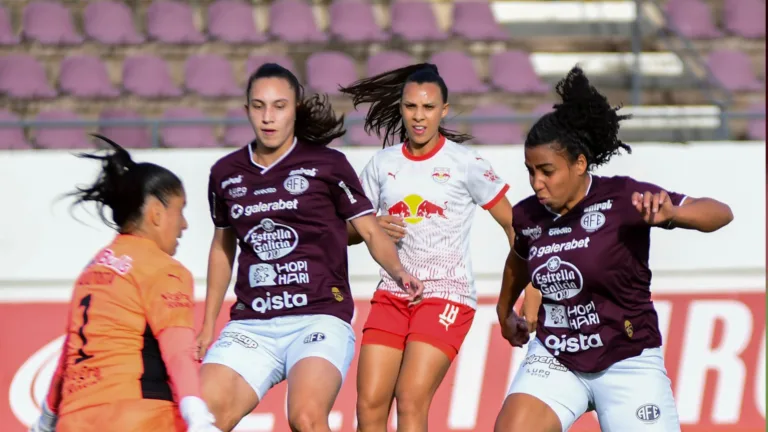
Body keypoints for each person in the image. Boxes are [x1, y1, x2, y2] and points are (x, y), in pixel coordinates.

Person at [494, 66, 734, 432]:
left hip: (627, 358)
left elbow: (721, 213)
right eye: (530, 171)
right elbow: (520, 259)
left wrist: (674, 214)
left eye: (546, 171)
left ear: (579, 163)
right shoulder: (527, 215)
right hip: (556, 357)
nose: (536, 182)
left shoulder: (623, 198)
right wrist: (503, 311)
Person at [196, 63, 423, 432]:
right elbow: (223, 248)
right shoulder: (226, 173)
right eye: (259, 106)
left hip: (318, 317)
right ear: (247, 109)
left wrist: (399, 271)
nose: (268, 117)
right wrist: (208, 324)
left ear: (295, 108)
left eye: (279, 106)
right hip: (252, 325)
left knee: (305, 418)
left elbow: (369, 230)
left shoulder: (328, 164)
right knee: (200, 419)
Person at [339, 63, 539, 432]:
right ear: (401, 108)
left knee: (410, 399)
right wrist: (372, 226)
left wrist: (530, 288)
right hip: (392, 293)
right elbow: (349, 232)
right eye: (411, 106)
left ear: (443, 110)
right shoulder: (382, 164)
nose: (419, 116)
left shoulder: (465, 163)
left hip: (446, 294)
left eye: (428, 107)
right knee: (368, 405)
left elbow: (516, 227)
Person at [28, 135, 220, 432]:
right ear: (156, 214)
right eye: (180, 211)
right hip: (139, 417)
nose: (184, 225)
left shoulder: (92, 270)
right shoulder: (164, 270)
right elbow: (178, 350)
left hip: (74, 420)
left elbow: (70, 352)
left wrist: (46, 419)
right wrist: (198, 416)